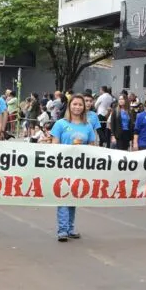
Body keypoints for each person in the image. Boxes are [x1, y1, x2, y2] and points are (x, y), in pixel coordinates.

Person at [51, 94, 97, 242]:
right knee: (63, 197)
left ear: (84, 107)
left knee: (73, 198)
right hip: (63, 165)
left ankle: (70, 228)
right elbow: (54, 145)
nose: (77, 107)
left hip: (79, 167)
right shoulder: (60, 124)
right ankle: (62, 229)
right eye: (74, 104)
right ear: (70, 106)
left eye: (80, 105)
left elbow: (92, 147)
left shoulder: (88, 126)